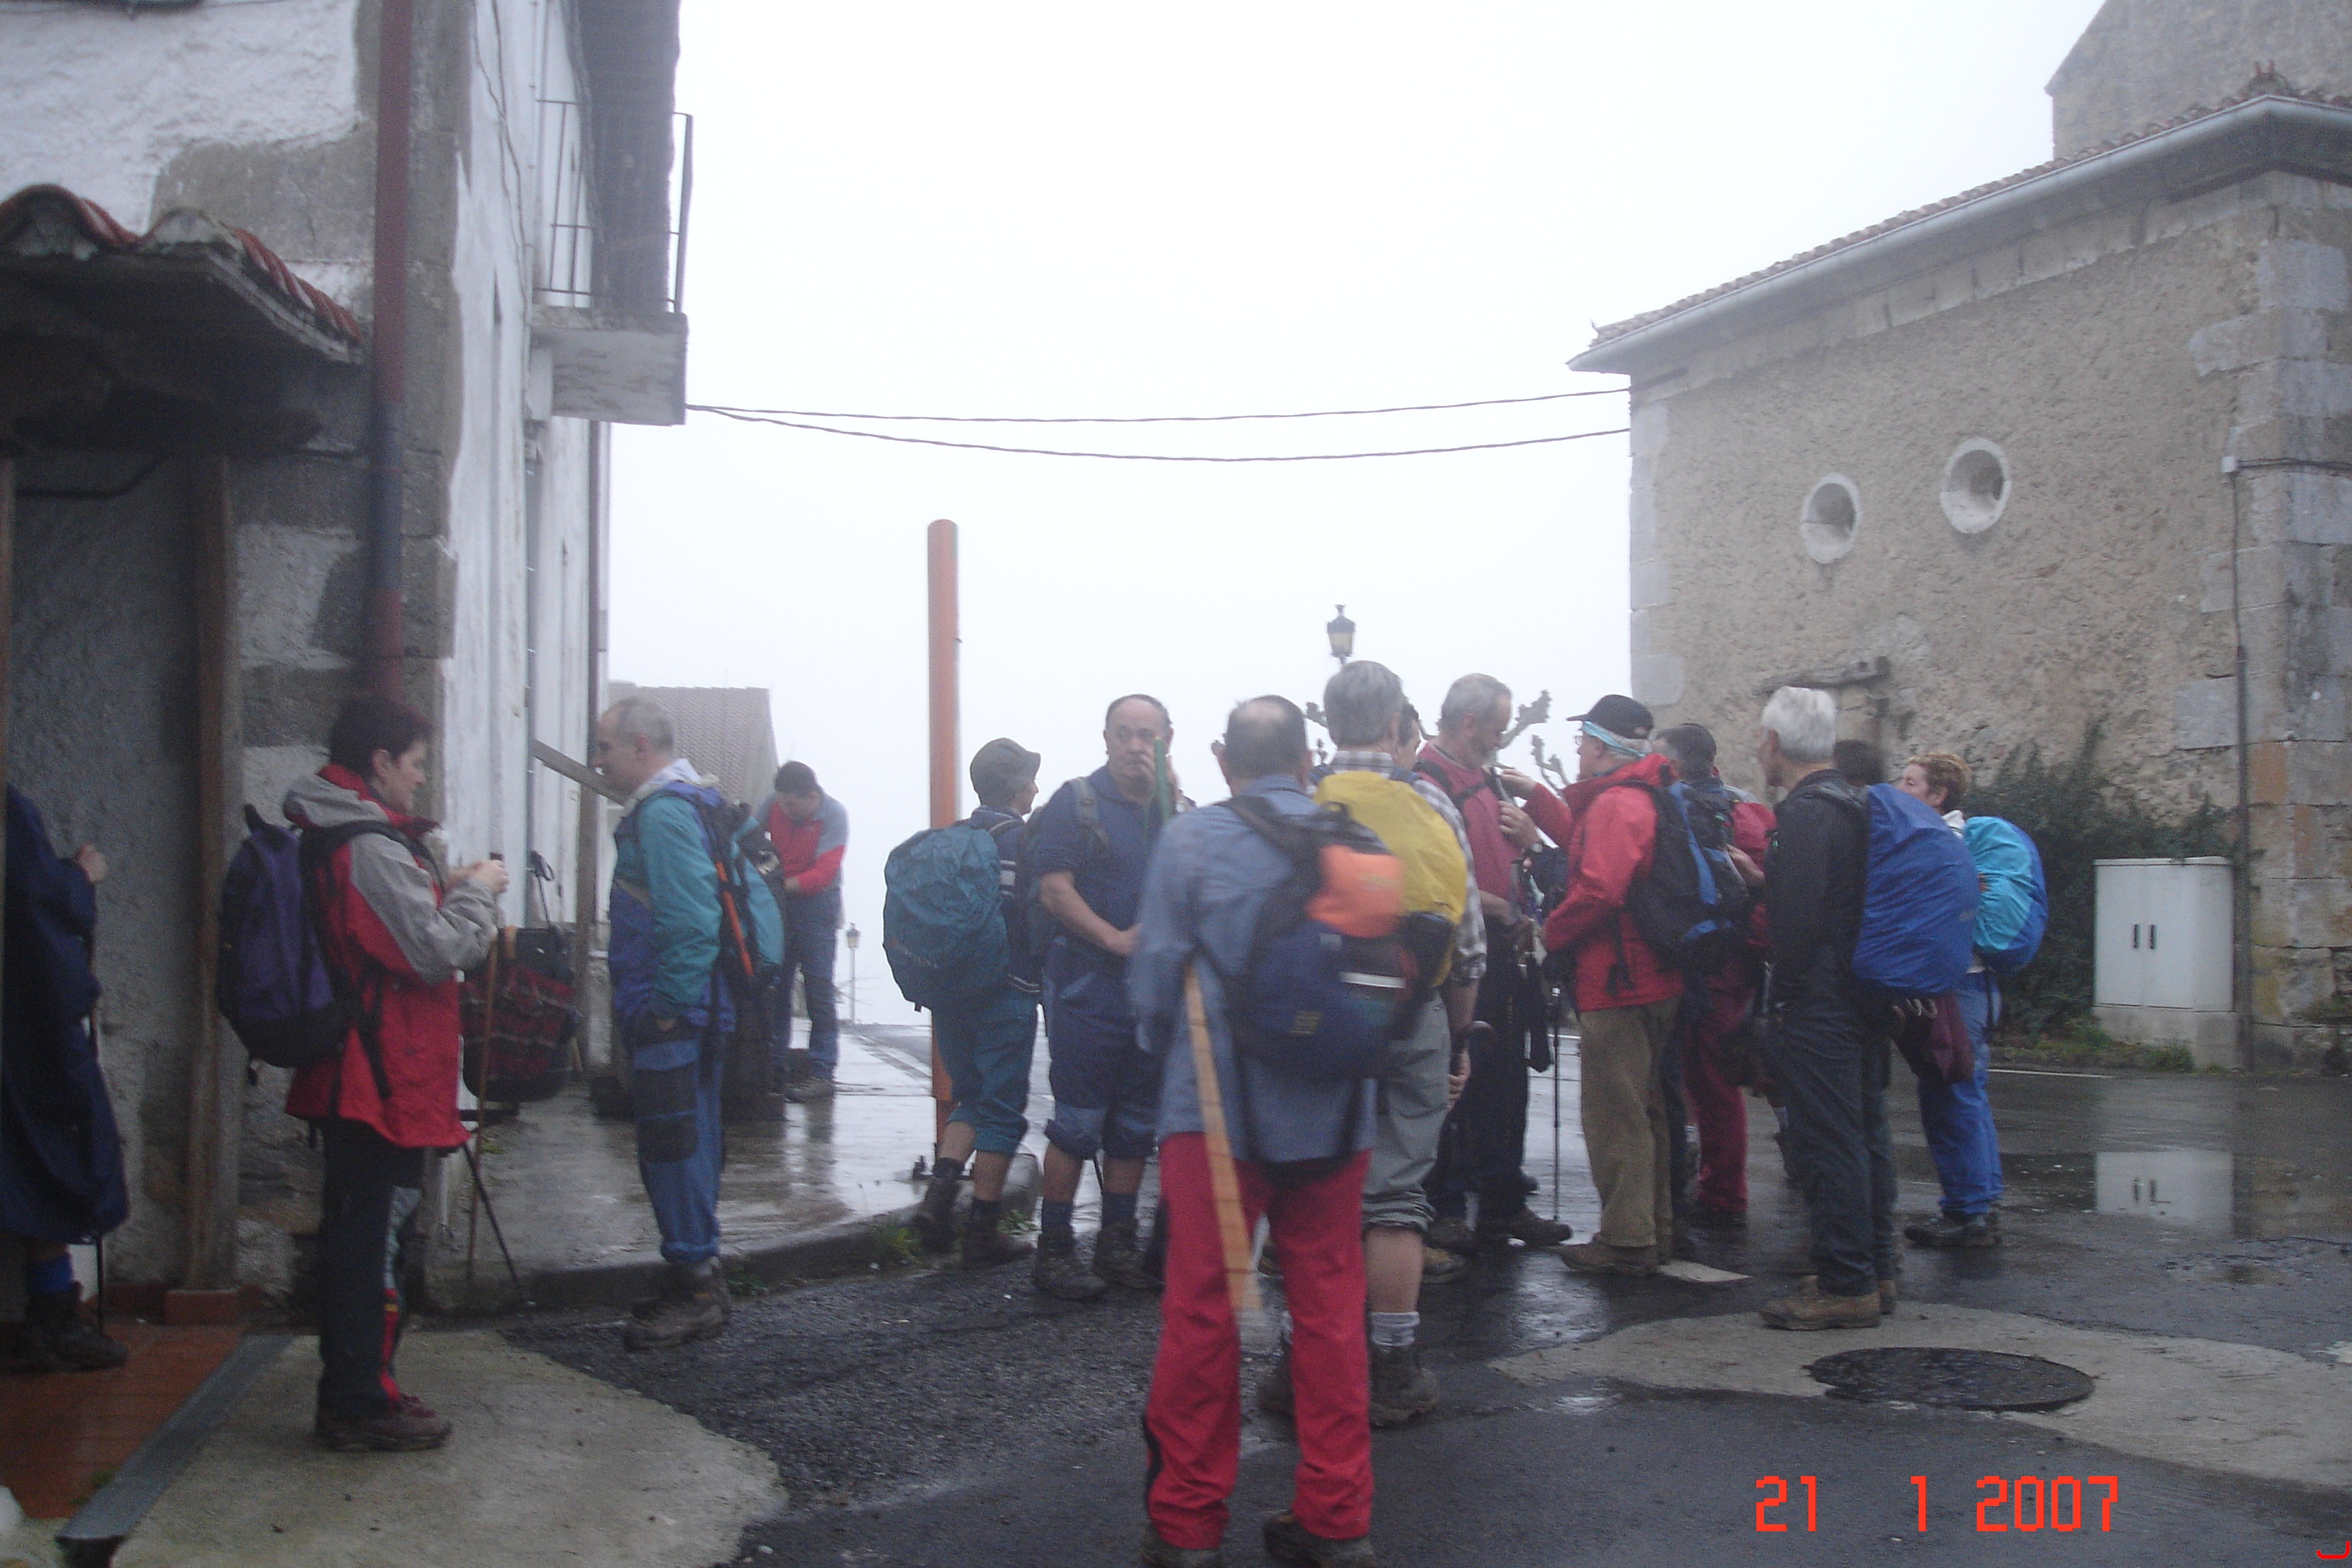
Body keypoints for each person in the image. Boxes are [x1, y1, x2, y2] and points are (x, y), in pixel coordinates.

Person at [1129, 696, 1378, 1568]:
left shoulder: (1192, 841)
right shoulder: (1358, 842)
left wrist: (1159, 1052)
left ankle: (1188, 1526)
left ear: (1225, 762)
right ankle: (1337, 1519)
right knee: (1332, 1311)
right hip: (1337, 1112)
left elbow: (1153, 982)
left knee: (1203, 1310)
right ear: (1308, 761)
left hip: (1216, 1110)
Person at [285, 695, 505, 1449]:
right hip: (376, 1076)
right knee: (371, 1245)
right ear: (379, 763)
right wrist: (476, 891)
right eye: (413, 765)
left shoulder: (345, 833)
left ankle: (364, 1389)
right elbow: (435, 950)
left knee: (368, 1235)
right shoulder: (367, 845)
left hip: (370, 1071)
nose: (418, 780)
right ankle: (356, 1403)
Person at [1311, 661, 1481, 1427]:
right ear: (1394, 725)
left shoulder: (1305, 801)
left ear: (1327, 723)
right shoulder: (1433, 805)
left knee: (1319, 1190)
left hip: (1316, 1026)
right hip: (1413, 1016)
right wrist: (1458, 1038)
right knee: (1396, 1197)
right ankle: (1394, 1364)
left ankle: (1303, 1357)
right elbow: (1468, 945)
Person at [1514, 694, 1681, 1276]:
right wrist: (1540, 798)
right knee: (1647, 1108)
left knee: (1616, 1114)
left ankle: (1627, 1239)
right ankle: (1655, 1226)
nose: (1579, 749)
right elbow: (1589, 845)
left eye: (1584, 739)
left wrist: (1551, 934)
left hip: (1618, 978)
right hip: (1655, 975)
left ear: (1605, 746)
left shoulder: (1616, 803)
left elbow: (1599, 889)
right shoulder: (1648, 794)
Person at [1027, 694, 1184, 1302]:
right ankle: (1055, 1251)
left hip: (1153, 999)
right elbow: (1054, 889)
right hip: (1088, 989)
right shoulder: (1076, 802)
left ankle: (1117, 1246)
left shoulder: (1176, 812)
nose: (1135, 746)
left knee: (1135, 1127)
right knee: (1077, 1125)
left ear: (1167, 741)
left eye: (1148, 735)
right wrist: (1115, 940)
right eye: (1124, 733)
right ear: (1106, 738)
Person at [599, 695, 743, 1350]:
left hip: (675, 1014)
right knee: (691, 1143)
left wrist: (662, 1010)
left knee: (672, 1148)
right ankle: (699, 1275)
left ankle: (695, 1291)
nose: (599, 761)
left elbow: (690, 922)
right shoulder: (691, 802)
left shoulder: (662, 814)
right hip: (696, 1008)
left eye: (606, 747)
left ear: (640, 747)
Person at [1753, 686, 1895, 1328]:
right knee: (1865, 1133)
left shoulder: (1808, 813)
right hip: (1863, 992)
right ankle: (1875, 1268)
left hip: (1821, 1000)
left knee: (1828, 1140)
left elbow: (1800, 921)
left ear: (1774, 744)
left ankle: (1845, 1283)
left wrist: (1780, 996)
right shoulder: (1855, 802)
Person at [1415, 674, 1567, 1260]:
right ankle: (1447, 1207)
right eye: (1498, 728)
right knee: (1457, 1081)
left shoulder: (1486, 778)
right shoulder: (1427, 783)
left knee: (1506, 1083)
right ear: (1469, 723)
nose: (1502, 739)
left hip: (1504, 956)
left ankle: (1504, 1198)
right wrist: (1499, 907)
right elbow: (1432, 880)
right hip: (1458, 959)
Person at [0, 790, 128, 1374]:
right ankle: (51, 1318)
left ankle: (50, 1314)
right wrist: (80, 878)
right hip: (21, 1031)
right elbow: (35, 895)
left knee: (31, 1167)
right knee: (46, 1159)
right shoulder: (8, 812)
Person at [913, 738, 1046, 1269]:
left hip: (951, 993)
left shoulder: (954, 838)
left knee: (969, 1095)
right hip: (1006, 991)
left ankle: (937, 1200)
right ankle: (982, 1231)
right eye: (1030, 778)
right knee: (1002, 1109)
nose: (1036, 786)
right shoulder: (1024, 841)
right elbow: (1038, 915)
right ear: (1015, 787)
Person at [1650, 724, 1773, 1230]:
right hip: (1736, 959)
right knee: (1712, 1080)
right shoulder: (1747, 811)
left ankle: (1723, 1192)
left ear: (1675, 766)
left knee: (1708, 1080)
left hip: (1710, 964)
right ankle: (1718, 1185)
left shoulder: (1684, 811)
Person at [1896, 751, 2004, 1250]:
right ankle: (1981, 1202)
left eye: (1911, 783)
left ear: (1938, 796)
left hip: (1954, 984)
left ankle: (1967, 1212)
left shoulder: (1941, 842)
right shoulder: (1957, 839)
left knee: (1950, 1095)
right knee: (1967, 1091)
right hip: (1975, 983)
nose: (1901, 789)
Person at [762, 760, 848, 1101]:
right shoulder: (774, 803)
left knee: (818, 988)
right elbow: (746, 835)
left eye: (793, 805)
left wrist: (778, 887)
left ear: (813, 797)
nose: (785, 811)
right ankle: (773, 1070)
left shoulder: (834, 816)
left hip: (817, 904)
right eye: (782, 803)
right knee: (777, 985)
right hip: (781, 901)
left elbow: (824, 873)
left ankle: (822, 1073)